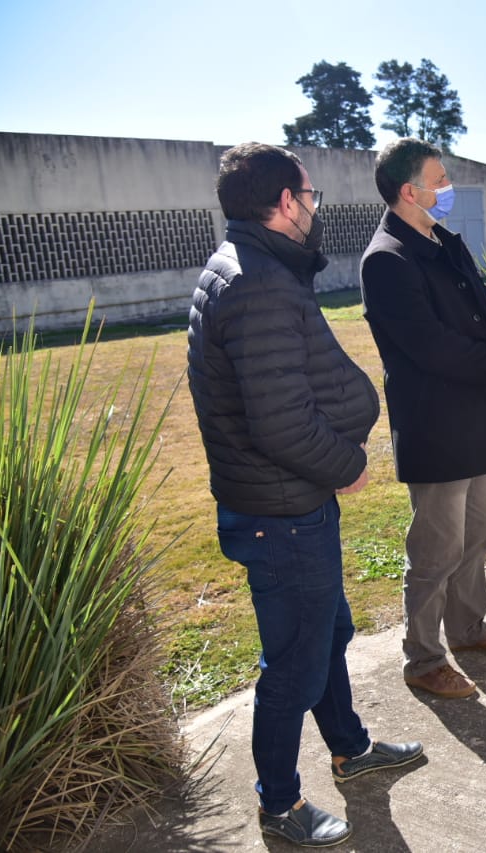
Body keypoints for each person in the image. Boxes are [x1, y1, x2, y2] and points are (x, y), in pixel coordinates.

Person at [188, 142, 423, 848]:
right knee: (292, 661)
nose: (315, 207)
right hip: (282, 511)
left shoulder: (249, 267)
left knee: (328, 633)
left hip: (287, 506)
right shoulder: (256, 281)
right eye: (311, 196)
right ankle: (281, 805)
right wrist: (345, 461)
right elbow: (281, 420)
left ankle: (349, 747)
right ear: (285, 202)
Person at [361, 137, 486, 700]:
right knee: (435, 550)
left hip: (475, 413)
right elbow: (431, 347)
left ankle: (467, 628)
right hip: (434, 426)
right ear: (407, 191)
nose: (447, 190)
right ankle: (422, 659)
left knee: (475, 536)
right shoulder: (386, 260)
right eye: (439, 181)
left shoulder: (445, 242)